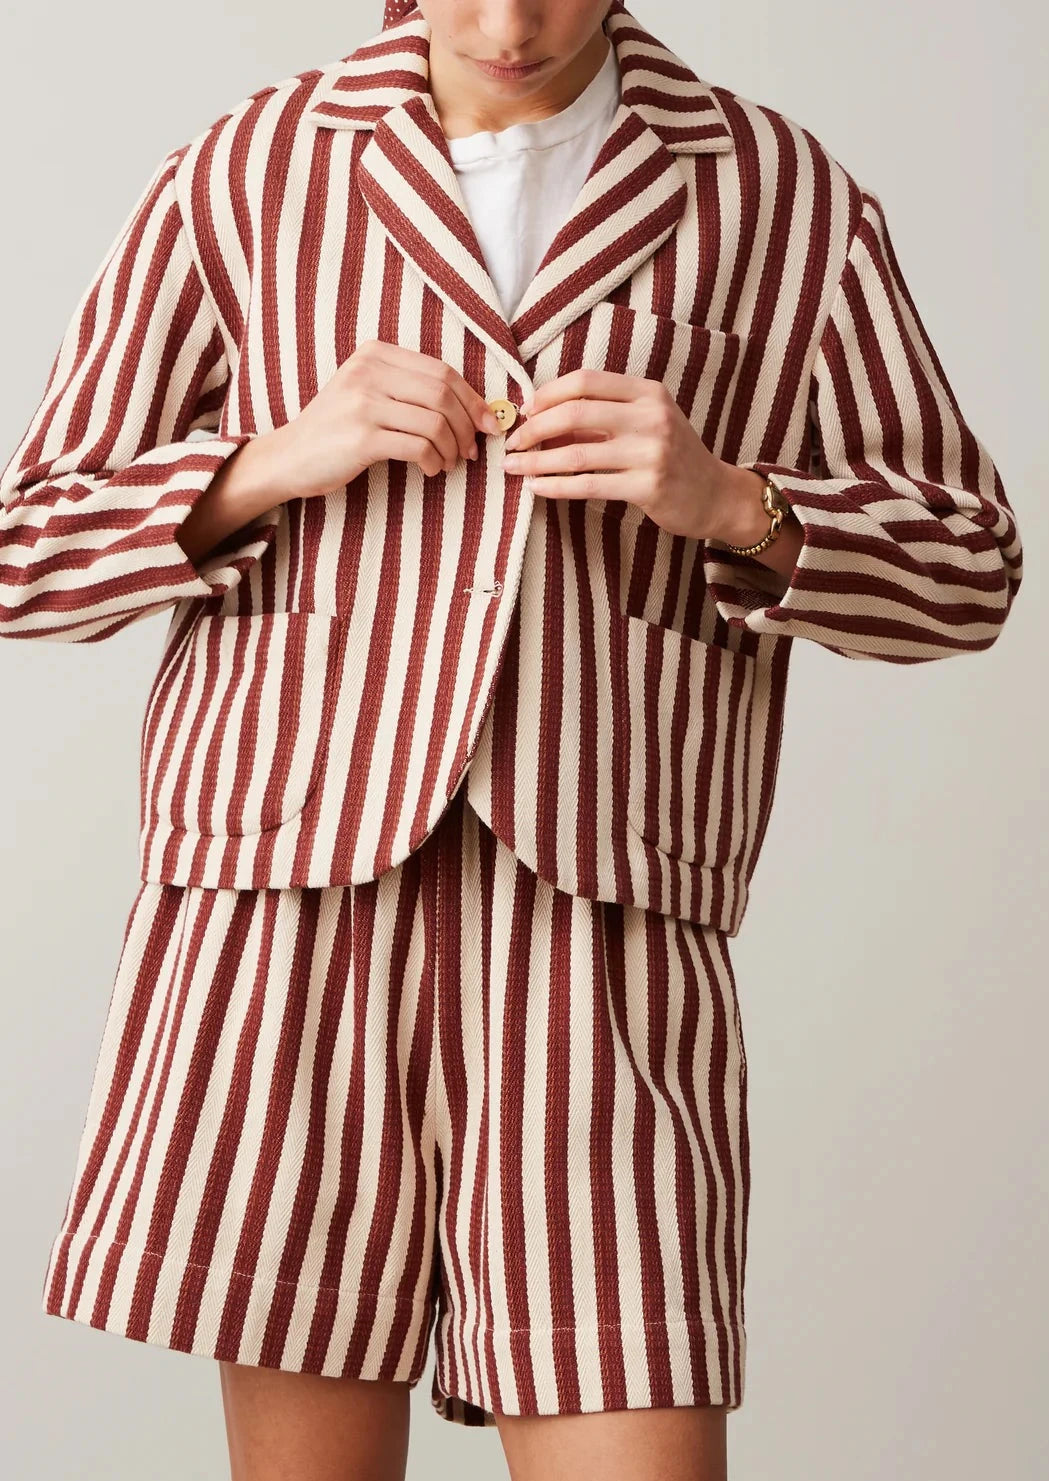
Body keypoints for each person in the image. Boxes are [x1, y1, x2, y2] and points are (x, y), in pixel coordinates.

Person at [0, 2, 1022, 1479]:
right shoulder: (247, 170)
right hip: (286, 910)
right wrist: (266, 462)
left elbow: (970, 570)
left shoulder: (782, 199)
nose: (506, 25)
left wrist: (735, 502)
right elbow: (24, 550)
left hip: (602, 920)